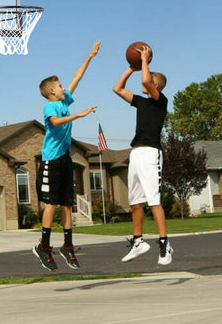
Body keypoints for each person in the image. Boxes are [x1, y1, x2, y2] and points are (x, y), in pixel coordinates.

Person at [33, 40, 100, 271]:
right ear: (52, 91)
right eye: (60, 86)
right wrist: (79, 116)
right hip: (51, 161)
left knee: (67, 205)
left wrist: (90, 56)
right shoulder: (50, 107)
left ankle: (68, 247)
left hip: (65, 159)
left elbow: (77, 77)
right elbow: (56, 122)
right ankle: (43, 246)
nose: (64, 88)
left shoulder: (64, 101)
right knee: (51, 204)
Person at [113, 44, 173, 265]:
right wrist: (132, 67)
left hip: (151, 154)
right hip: (136, 153)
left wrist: (145, 60)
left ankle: (165, 244)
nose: (142, 82)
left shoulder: (161, 101)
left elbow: (146, 81)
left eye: (148, 81)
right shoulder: (141, 102)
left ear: (156, 86)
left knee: (153, 200)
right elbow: (117, 89)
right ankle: (138, 242)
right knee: (135, 202)